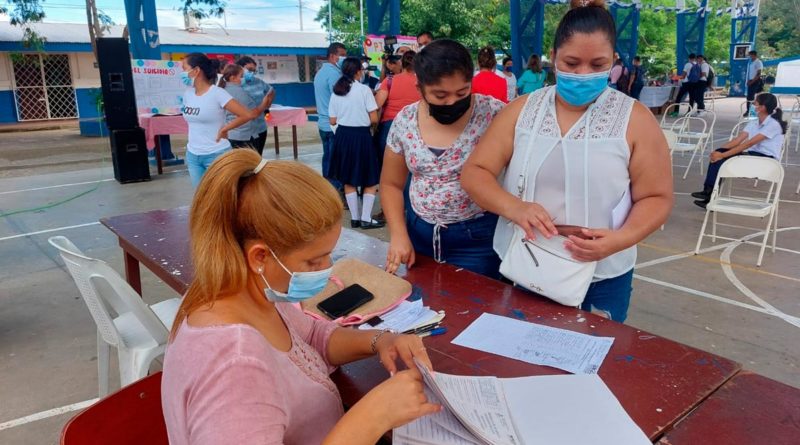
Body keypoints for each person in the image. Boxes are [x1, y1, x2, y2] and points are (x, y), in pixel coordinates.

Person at [161, 150, 440, 445]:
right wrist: (374, 416)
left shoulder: (243, 293)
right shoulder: (235, 367)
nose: (327, 268)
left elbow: (314, 338)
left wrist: (381, 340)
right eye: (314, 261)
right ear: (259, 256)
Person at [461, 0, 673, 322]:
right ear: (553, 55)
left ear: (614, 61)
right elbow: (476, 173)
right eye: (571, 63)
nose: (583, 74)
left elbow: (656, 196)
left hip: (601, 276)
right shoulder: (521, 111)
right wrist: (514, 207)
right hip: (524, 263)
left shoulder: (635, 119)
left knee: (589, 360)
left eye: (597, 64)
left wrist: (619, 239)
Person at [381, 39, 506, 279]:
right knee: (424, 306)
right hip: (419, 234)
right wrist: (398, 235)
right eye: (440, 95)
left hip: (477, 238)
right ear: (420, 89)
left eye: (462, 92)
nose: (452, 102)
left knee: (477, 309)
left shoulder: (493, 114)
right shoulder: (405, 121)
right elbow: (390, 184)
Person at [691, 92, 787, 209]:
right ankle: (708, 192)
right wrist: (718, 151)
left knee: (722, 158)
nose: (753, 105)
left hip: (767, 159)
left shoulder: (773, 124)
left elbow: (749, 143)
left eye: (755, 103)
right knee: (718, 156)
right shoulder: (754, 123)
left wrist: (723, 155)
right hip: (752, 155)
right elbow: (738, 140)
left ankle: (710, 195)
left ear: (762, 108)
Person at [180, 53, 258, 188]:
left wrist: (225, 129)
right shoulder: (188, 93)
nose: (182, 73)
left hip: (217, 154)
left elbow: (246, 115)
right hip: (193, 155)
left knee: (222, 197)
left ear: (196, 70)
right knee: (201, 196)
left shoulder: (217, 93)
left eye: (184, 68)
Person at [328, 57, 385, 230]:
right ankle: (366, 219)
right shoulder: (364, 90)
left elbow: (332, 120)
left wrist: (342, 131)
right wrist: (373, 126)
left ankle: (354, 218)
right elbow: (373, 118)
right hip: (361, 136)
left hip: (343, 136)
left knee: (348, 179)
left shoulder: (337, 91)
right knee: (369, 179)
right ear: (358, 71)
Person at [375, 51, 420, 171]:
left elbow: (378, 104)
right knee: (410, 166)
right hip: (414, 126)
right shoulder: (422, 83)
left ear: (402, 63)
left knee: (388, 167)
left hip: (390, 126)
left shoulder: (389, 81)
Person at [314, 42, 348, 190]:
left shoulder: (321, 72)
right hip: (334, 124)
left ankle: (327, 188)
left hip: (323, 123)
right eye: (342, 55)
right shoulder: (334, 74)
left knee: (328, 157)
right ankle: (336, 190)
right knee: (337, 160)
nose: (344, 58)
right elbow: (341, 97)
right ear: (333, 56)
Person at [219, 64, 274, 151]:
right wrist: (264, 104)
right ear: (233, 78)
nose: (244, 78)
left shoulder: (222, 88)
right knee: (250, 163)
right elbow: (253, 114)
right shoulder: (240, 92)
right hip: (245, 135)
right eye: (242, 76)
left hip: (233, 134)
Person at [236, 56, 275, 156]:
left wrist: (267, 105)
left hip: (260, 127)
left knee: (258, 156)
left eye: (254, 70)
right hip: (243, 130)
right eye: (249, 70)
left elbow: (271, 91)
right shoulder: (234, 84)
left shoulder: (258, 82)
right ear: (239, 68)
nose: (252, 73)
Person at [744, 50, 764, 116]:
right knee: (749, 97)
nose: (750, 57)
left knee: (751, 97)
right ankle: (749, 110)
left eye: (751, 55)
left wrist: (752, 81)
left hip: (756, 81)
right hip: (750, 80)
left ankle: (750, 111)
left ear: (754, 55)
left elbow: (758, 74)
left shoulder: (758, 62)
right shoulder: (751, 63)